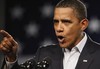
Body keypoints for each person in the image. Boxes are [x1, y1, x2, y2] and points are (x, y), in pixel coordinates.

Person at [0, 0, 100, 69]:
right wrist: (11, 58)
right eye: (56, 22)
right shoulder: (44, 53)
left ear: (83, 24)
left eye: (66, 22)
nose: (58, 28)